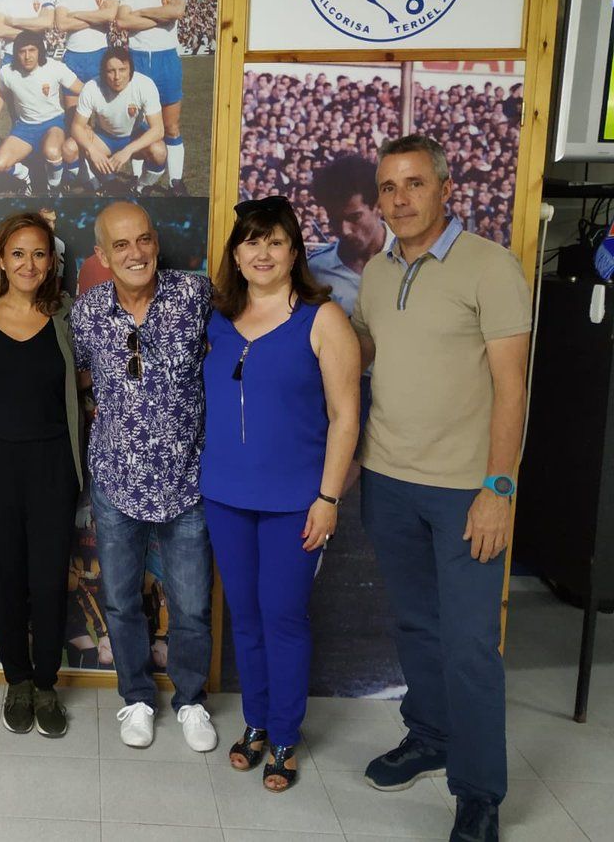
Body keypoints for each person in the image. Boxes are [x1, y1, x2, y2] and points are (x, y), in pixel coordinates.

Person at [353, 135, 531, 842]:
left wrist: (498, 488)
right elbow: (363, 350)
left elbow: (514, 389)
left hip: (465, 490)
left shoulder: (491, 267)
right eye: (388, 187)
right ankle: (428, 735)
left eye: (414, 184)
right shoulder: (375, 269)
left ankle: (480, 791)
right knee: (416, 627)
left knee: (469, 646)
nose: (399, 199)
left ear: (445, 187)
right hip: (388, 478)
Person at [202, 195, 360, 792]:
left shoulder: (323, 319)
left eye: (274, 241)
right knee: (243, 616)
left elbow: (346, 417)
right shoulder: (217, 320)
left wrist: (329, 498)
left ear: (295, 250)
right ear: (235, 255)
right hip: (224, 494)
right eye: (250, 241)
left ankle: (287, 735)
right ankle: (257, 723)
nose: (262, 252)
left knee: (284, 617)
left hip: (297, 498)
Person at [70, 201, 216, 753]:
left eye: (145, 240)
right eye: (121, 245)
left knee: (192, 604)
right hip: (116, 480)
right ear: (103, 255)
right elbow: (82, 379)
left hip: (187, 481)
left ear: (156, 242)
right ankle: (135, 697)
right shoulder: (87, 313)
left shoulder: (194, 295)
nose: (136, 253)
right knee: (121, 600)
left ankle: (192, 701)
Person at [0, 211, 83, 738]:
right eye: (18, 253)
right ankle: (17, 681)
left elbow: (92, 380)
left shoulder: (69, 314)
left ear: (51, 260)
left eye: (39, 253)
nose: (29, 263)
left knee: (49, 578)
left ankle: (47, 684)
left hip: (53, 464)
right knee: (6, 577)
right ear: (0, 261)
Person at [116, 0, 188, 196]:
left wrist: (143, 13)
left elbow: (177, 11)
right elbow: (123, 20)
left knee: (170, 127)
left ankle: (175, 182)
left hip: (166, 58)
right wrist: (161, 15)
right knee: (138, 125)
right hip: (137, 59)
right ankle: (138, 180)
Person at [0, 32, 82, 193]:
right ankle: (27, 177)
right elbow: (1, 94)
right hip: (25, 127)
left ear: (40, 50)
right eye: (22, 51)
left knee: (52, 152)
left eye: (32, 50)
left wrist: (86, 120)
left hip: (53, 123)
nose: (27, 56)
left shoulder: (54, 67)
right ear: (16, 54)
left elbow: (83, 90)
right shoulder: (7, 72)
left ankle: (54, 188)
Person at [71, 46, 166, 194]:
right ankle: (97, 186)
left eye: (122, 70)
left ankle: (141, 187)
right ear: (103, 72)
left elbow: (158, 129)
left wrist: (128, 150)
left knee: (159, 151)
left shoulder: (145, 84)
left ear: (130, 70)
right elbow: (76, 126)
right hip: (105, 138)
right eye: (111, 71)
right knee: (69, 148)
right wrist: (92, 150)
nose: (117, 77)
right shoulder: (91, 87)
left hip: (134, 136)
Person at [308, 154, 391, 316]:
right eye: (335, 220)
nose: (345, 230)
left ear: (379, 206)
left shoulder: (418, 261)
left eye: (354, 218)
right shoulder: (315, 272)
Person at [54, 0, 118, 88]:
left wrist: (76, 14)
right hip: (73, 54)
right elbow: (62, 24)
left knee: (103, 107)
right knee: (73, 109)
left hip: (100, 53)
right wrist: (97, 17)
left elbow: (109, 15)